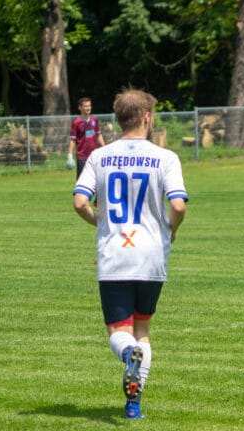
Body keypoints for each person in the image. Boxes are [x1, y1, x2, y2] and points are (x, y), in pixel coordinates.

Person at [72, 88, 188, 420]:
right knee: (142, 329)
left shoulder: (99, 156)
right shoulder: (166, 157)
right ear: (147, 117)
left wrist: (100, 222)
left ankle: (128, 355)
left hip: (114, 255)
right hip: (151, 255)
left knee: (119, 332)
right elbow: (178, 205)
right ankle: (133, 407)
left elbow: (80, 202)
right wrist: (171, 228)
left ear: (119, 118)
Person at [68, 97, 105, 178]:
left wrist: (105, 149)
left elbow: (99, 135)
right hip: (82, 157)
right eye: (85, 106)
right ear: (80, 108)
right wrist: (70, 156)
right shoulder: (76, 122)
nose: (88, 108)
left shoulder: (95, 120)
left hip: (94, 155)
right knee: (82, 179)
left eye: (89, 106)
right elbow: (72, 140)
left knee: (95, 179)